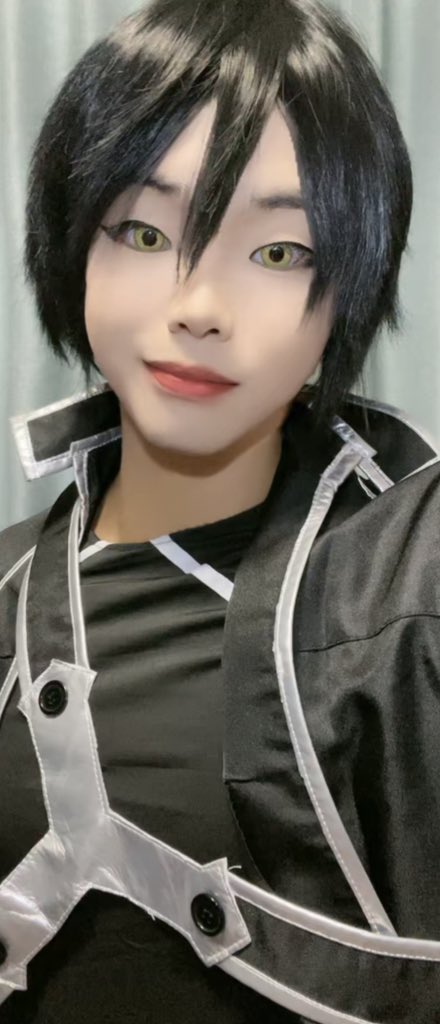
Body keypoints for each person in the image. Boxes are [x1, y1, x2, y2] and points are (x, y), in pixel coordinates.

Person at [1, 0, 440, 1020]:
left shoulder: (410, 577)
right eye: (144, 231)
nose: (199, 306)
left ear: (350, 288)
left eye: (278, 252)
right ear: (72, 249)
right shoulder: (13, 582)